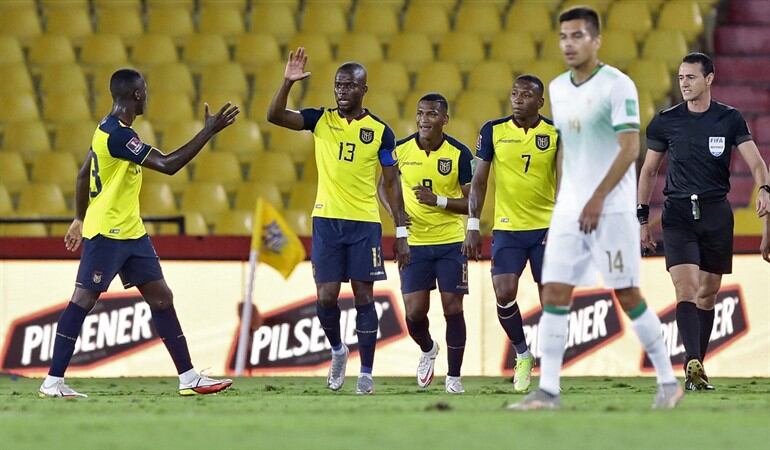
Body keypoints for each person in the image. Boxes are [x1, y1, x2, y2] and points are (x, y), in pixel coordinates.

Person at [509, 7, 681, 410]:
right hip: (571, 209)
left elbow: (630, 148)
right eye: (564, 36)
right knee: (553, 291)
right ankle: (548, 390)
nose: (569, 43)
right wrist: (568, 198)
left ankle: (669, 380)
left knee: (626, 292)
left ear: (596, 40)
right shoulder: (557, 87)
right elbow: (570, 147)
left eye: (578, 36)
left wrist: (598, 197)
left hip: (612, 210)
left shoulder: (617, 86)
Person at [39, 68, 240, 398]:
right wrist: (209, 132)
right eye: (144, 91)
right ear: (136, 95)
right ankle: (53, 381)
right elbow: (168, 164)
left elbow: (82, 173)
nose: (147, 96)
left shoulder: (105, 130)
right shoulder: (117, 136)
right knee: (83, 300)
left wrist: (77, 218)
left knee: (162, 298)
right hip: (108, 231)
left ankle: (188, 377)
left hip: (132, 232)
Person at [267, 48, 409, 395]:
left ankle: (367, 373)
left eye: (349, 86)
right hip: (327, 221)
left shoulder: (381, 132)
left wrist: (401, 229)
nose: (342, 91)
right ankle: (337, 350)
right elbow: (274, 116)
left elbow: (391, 181)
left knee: (364, 296)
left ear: (364, 89)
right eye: (338, 85)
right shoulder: (320, 119)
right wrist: (287, 82)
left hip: (364, 223)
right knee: (327, 297)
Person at [638, 52, 770, 391]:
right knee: (686, 288)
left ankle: (697, 367)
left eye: (691, 77)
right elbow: (649, 170)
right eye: (681, 77)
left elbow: (756, 163)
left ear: (709, 79)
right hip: (679, 213)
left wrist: (765, 189)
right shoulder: (665, 121)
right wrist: (642, 217)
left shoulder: (729, 119)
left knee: (708, 294)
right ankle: (692, 364)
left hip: (716, 213)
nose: (684, 83)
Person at [462, 75, 559, 393]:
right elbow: (479, 180)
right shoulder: (492, 131)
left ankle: (552, 368)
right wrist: (473, 224)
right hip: (507, 228)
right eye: (514, 93)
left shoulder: (554, 134)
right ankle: (523, 354)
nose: (518, 99)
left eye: (526, 95)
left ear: (540, 102)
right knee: (503, 292)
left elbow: (567, 178)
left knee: (552, 301)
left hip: (546, 227)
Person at [378, 93, 473, 394]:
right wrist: (397, 216)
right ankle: (428, 348)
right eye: (420, 113)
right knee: (414, 313)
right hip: (415, 242)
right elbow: (384, 186)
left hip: (450, 241)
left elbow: (472, 201)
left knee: (452, 307)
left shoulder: (459, 154)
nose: (424, 119)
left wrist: (439, 201)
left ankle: (454, 377)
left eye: (432, 114)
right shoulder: (401, 150)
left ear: (445, 119)